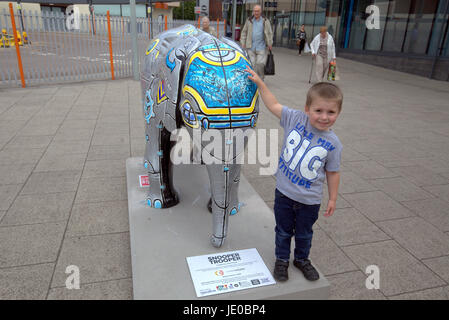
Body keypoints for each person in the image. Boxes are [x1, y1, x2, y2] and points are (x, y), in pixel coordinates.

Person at [246, 65, 343, 282]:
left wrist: (333, 198)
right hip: (284, 193)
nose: (324, 117)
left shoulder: (333, 143)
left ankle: (302, 259)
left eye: (331, 112)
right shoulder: (295, 118)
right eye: (319, 110)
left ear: (338, 113)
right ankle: (282, 259)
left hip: (310, 201)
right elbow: (273, 104)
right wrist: (261, 84)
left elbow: (333, 172)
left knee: (304, 233)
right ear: (307, 108)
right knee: (282, 231)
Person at [240, 4, 273, 80]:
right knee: (253, 64)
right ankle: (255, 79)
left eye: (257, 11)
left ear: (260, 11)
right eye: (255, 11)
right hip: (251, 46)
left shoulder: (265, 21)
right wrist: (243, 42)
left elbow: (269, 33)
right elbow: (244, 32)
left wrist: (270, 43)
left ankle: (261, 79)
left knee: (260, 64)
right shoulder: (249, 20)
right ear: (253, 11)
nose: (256, 13)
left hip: (261, 46)